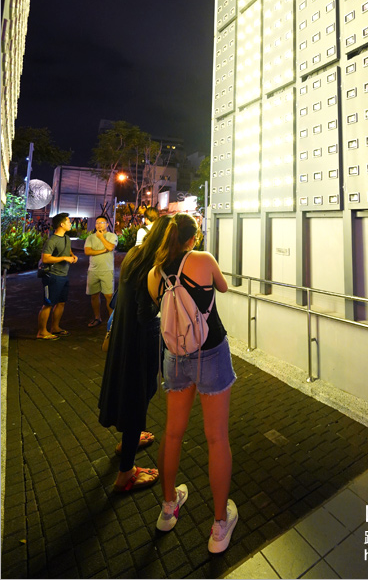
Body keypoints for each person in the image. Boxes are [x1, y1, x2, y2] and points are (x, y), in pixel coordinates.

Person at [147, 213, 237, 551]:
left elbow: (157, 304)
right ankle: (218, 526)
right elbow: (223, 286)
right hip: (210, 351)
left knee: (172, 432)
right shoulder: (203, 259)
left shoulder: (155, 272)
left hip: (174, 356)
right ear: (192, 237)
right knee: (216, 439)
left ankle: (168, 508)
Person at [98, 215, 172, 492]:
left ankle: (130, 438)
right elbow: (146, 312)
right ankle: (126, 472)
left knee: (130, 391)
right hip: (142, 339)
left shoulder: (135, 254)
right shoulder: (155, 266)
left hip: (122, 336)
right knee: (140, 393)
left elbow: (119, 298)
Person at [37, 212, 77, 340]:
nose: (70, 223)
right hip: (52, 276)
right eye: (68, 221)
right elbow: (45, 258)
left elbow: (68, 250)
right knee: (48, 304)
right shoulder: (52, 240)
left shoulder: (66, 238)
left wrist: (72, 256)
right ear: (61, 224)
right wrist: (64, 258)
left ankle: (55, 327)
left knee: (61, 303)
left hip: (64, 275)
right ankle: (42, 332)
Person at [85, 216, 118, 327]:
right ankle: (97, 318)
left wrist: (101, 237)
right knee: (94, 295)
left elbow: (111, 247)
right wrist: (104, 250)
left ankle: (111, 321)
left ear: (107, 224)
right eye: (97, 223)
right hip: (93, 271)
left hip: (107, 270)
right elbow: (87, 251)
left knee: (109, 296)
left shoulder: (112, 236)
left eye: (102, 222)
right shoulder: (90, 237)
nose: (99, 225)